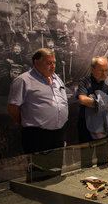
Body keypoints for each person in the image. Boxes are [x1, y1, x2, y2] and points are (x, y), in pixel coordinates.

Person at [7, 48, 68, 176]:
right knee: (38, 174)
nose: (52, 66)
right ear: (36, 63)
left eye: (54, 62)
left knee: (55, 171)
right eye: (48, 63)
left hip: (57, 133)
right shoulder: (24, 81)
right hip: (37, 136)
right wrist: (26, 122)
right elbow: (13, 108)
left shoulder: (57, 79)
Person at [77, 57, 108, 168]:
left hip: (103, 125)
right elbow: (82, 100)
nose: (104, 73)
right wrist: (104, 102)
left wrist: (94, 102)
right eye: (101, 70)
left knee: (103, 158)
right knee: (86, 159)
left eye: (106, 70)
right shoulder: (84, 81)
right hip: (85, 125)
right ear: (92, 69)